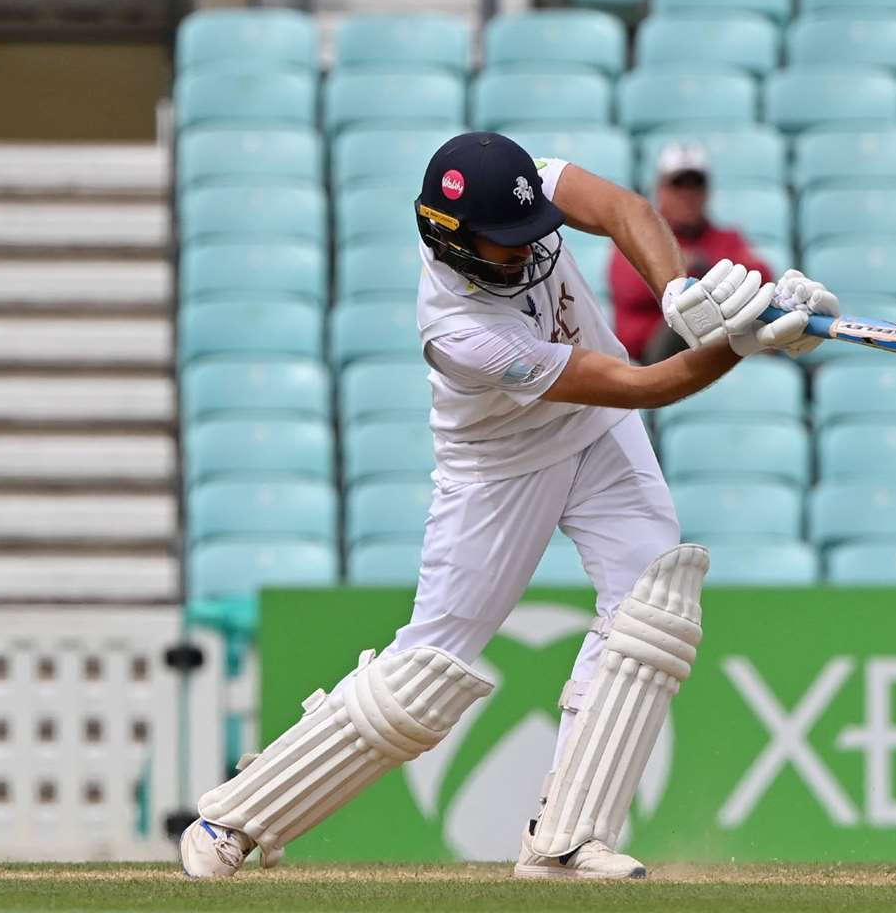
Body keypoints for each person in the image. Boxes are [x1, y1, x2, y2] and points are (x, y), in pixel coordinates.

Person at [179, 132, 840, 880]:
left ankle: (565, 839)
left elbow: (625, 211)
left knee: (656, 602)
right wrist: (743, 344)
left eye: (534, 236)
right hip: (500, 469)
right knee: (426, 676)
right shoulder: (458, 332)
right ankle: (232, 819)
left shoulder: (527, 188)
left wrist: (678, 293)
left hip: (594, 433)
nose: (527, 256)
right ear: (451, 240)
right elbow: (640, 386)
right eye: (505, 248)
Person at [610, 142, 770, 363]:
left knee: (760, 323)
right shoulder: (638, 236)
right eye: (678, 184)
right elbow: (629, 287)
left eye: (696, 184)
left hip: (718, 352)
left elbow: (761, 278)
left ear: (707, 191)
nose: (687, 194)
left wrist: (696, 266)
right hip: (647, 363)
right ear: (660, 190)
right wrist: (695, 267)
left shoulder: (726, 238)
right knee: (688, 315)